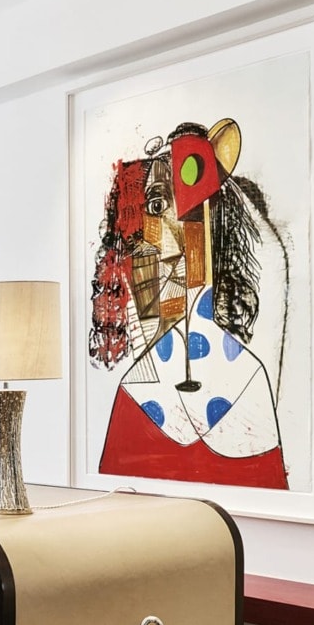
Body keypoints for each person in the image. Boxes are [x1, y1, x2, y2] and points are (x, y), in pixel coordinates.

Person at [90, 119, 289, 489]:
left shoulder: (247, 380)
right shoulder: (135, 390)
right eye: (153, 206)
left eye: (167, 204)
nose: (159, 233)